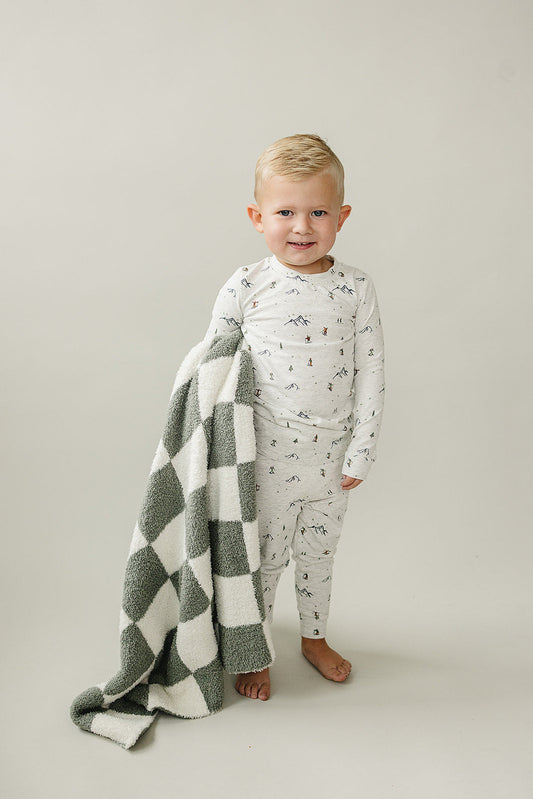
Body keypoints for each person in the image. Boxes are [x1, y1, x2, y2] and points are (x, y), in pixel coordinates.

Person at [203, 133, 385, 700]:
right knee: (265, 561)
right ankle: (254, 650)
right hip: (266, 460)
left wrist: (362, 450)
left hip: (331, 462)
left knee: (319, 555)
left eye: (318, 212)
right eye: (285, 212)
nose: (302, 227)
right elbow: (210, 370)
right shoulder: (247, 285)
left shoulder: (355, 288)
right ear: (258, 217)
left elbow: (372, 372)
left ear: (341, 217)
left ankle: (314, 637)